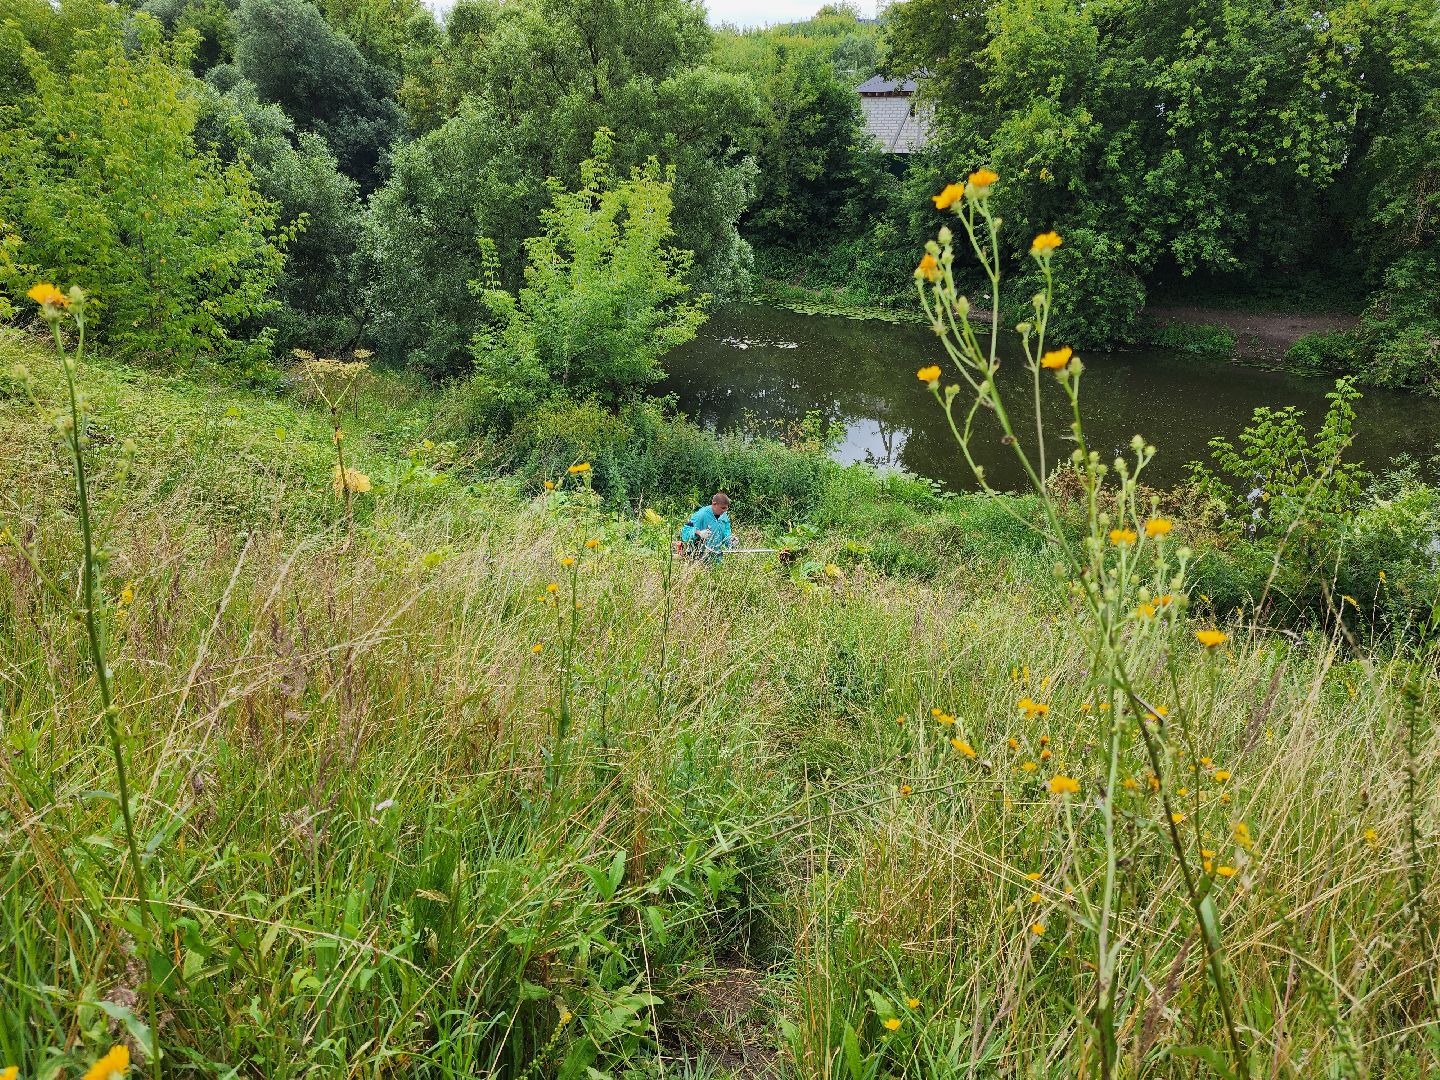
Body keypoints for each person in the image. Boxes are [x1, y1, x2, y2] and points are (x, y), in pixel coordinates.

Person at [681, 492, 734, 559]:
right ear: (714, 504)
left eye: (726, 508)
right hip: (700, 558)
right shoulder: (700, 515)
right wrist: (699, 533)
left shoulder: (724, 515)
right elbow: (685, 532)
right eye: (723, 508)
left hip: (717, 558)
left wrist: (731, 541)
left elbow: (726, 532)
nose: (725, 510)